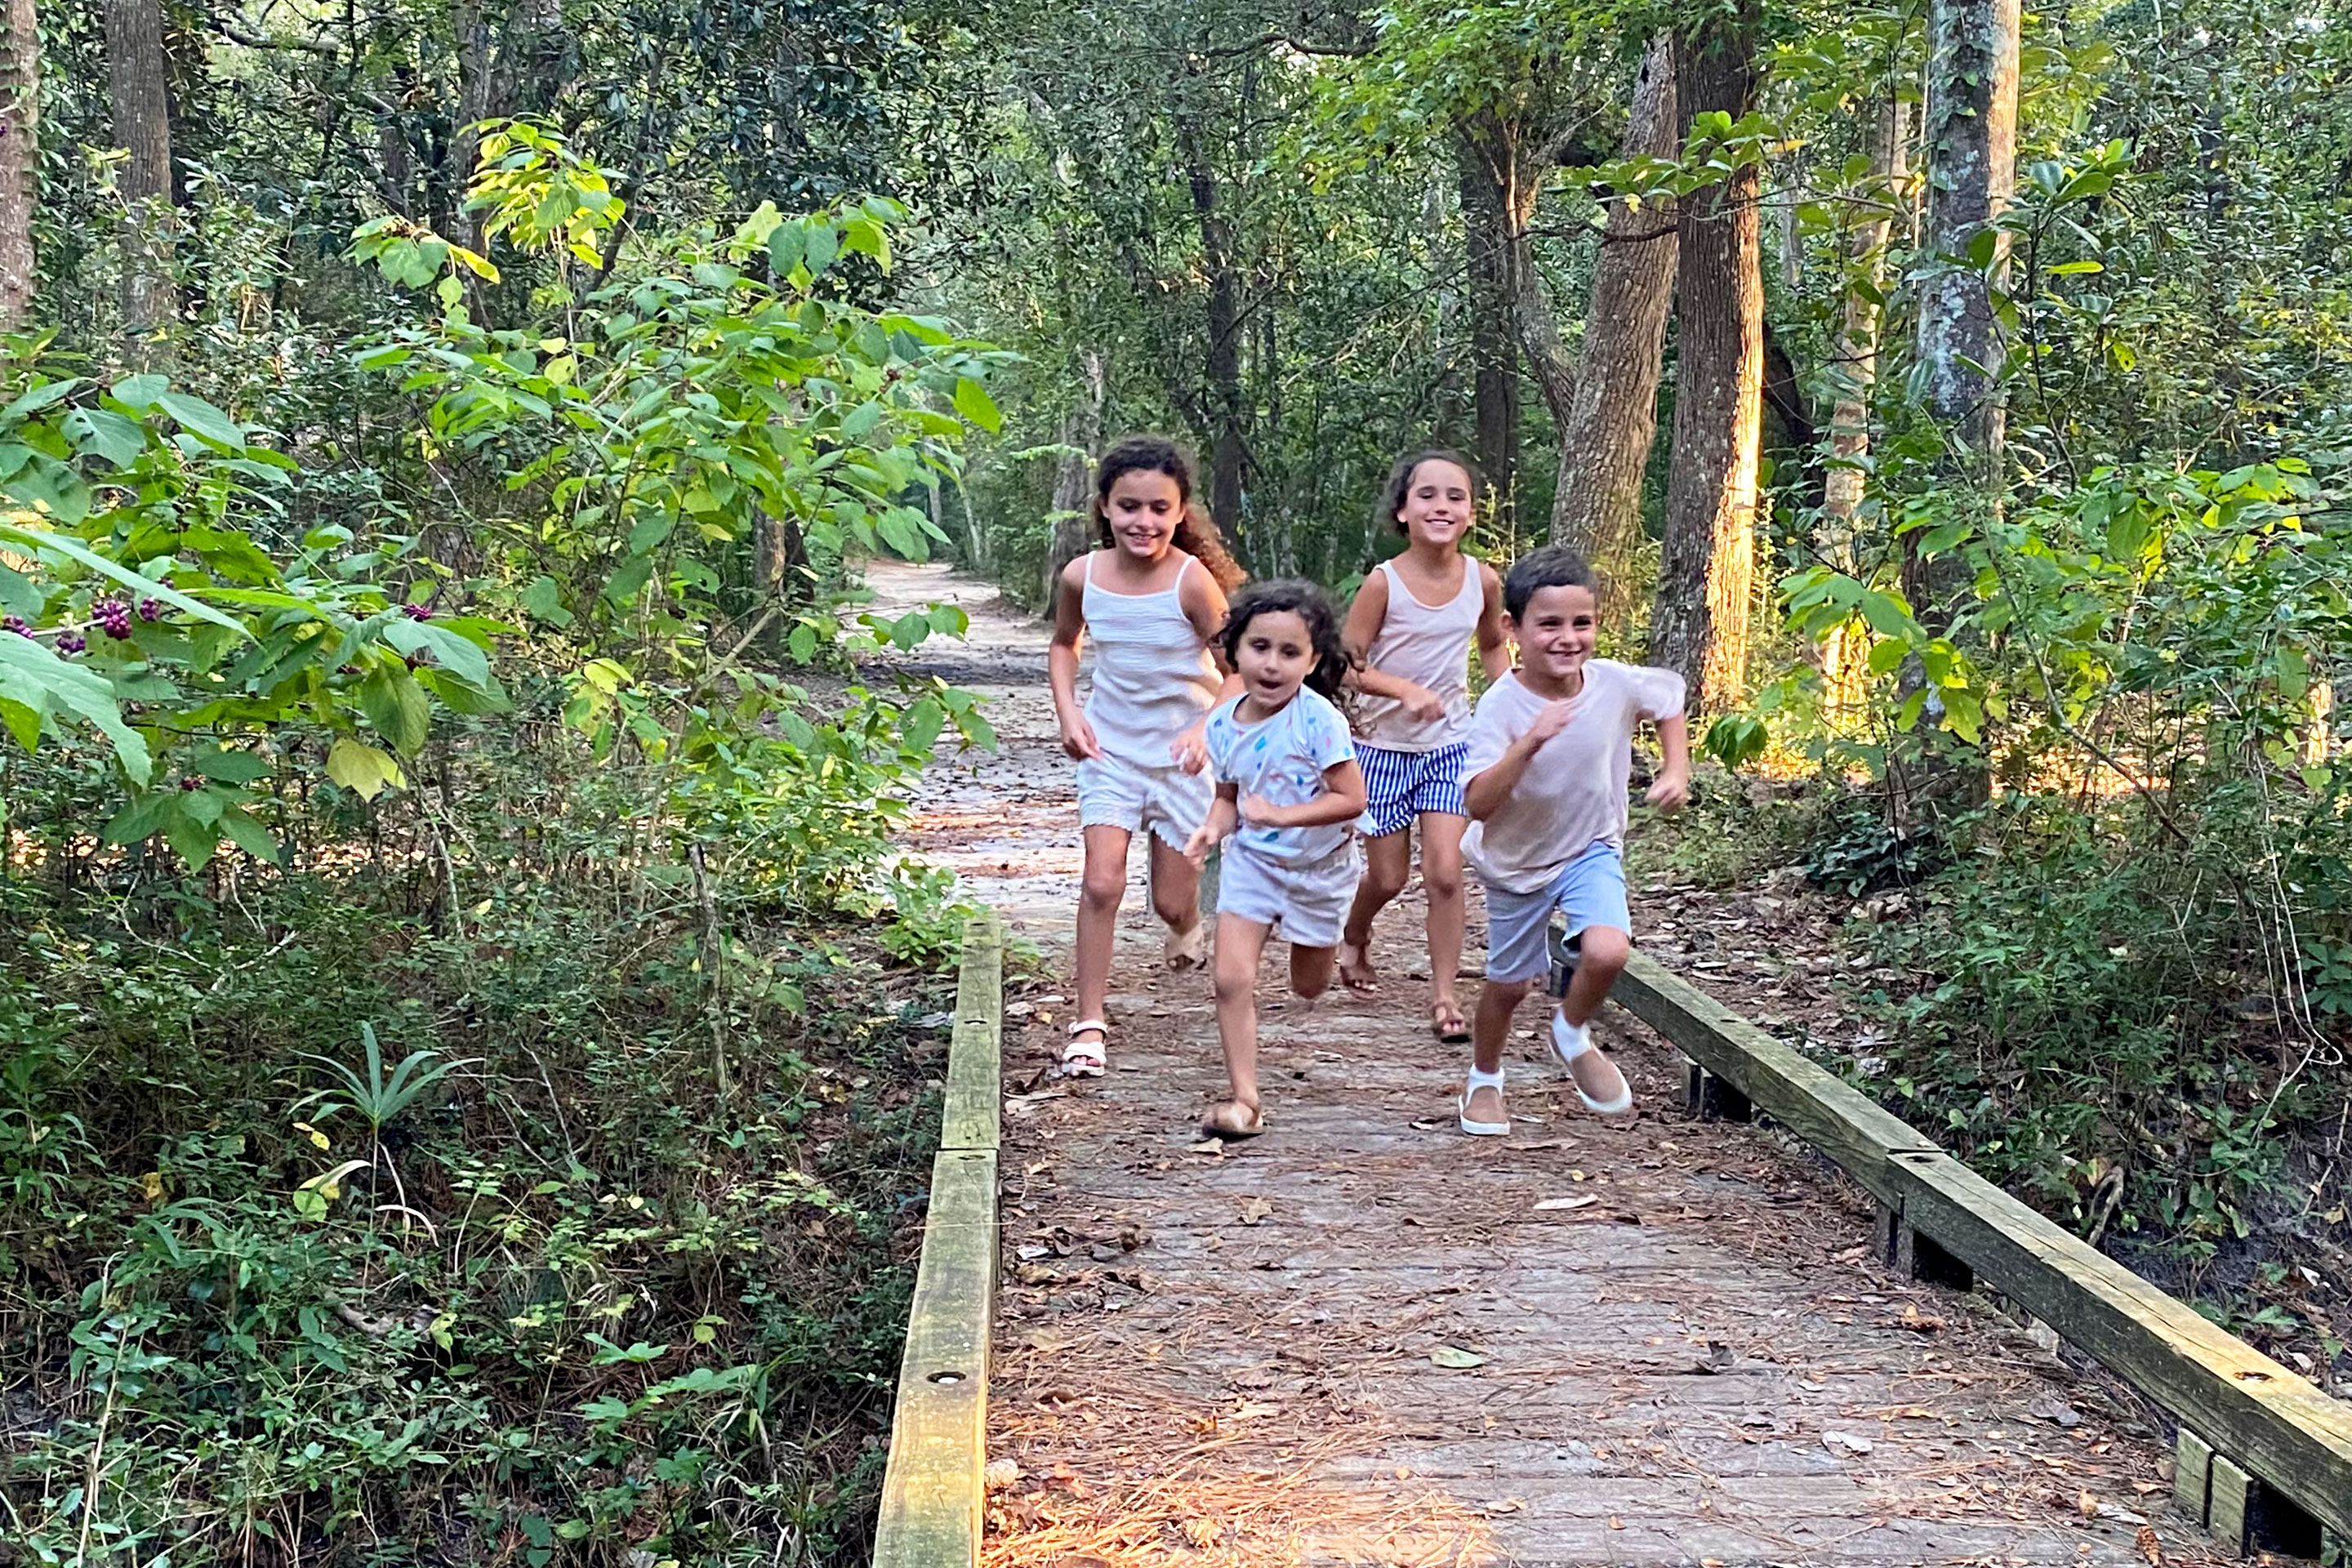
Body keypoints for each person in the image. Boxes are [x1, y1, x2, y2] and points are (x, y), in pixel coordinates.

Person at [1455, 546, 1690, 1135]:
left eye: (1581, 623)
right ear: (1513, 629)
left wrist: (1675, 770)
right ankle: (1484, 1079)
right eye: (1550, 624)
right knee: (1509, 985)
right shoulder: (1500, 707)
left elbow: (1669, 697)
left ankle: (1571, 1030)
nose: (1567, 638)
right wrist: (1529, 742)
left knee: (1609, 951)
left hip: (1591, 846)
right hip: (1515, 862)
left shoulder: (1611, 682)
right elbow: (1478, 804)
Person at [1049, 435, 1246, 1078]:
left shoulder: (1193, 585)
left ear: (1181, 511)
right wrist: (1069, 711)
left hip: (1184, 758)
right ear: (1105, 507)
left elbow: (1237, 672)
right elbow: (1063, 645)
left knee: (1169, 900)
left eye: (1160, 508)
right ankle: (1089, 1022)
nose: (1145, 522)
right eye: (1129, 507)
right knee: (1101, 881)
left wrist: (1205, 729)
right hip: (1109, 748)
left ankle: (1186, 925)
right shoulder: (1082, 576)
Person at [1336, 449, 1511, 1045]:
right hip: (1380, 748)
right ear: (1403, 511)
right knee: (1386, 878)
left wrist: (1508, 697)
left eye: (1455, 496)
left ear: (1471, 513)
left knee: (1444, 871)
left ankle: (1444, 996)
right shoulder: (1382, 583)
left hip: (1451, 745)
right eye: (1428, 495)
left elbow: (1491, 645)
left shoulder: (1482, 580)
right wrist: (1402, 689)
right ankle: (1356, 933)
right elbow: (1344, 666)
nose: (1442, 506)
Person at [1184, 580, 1369, 1138]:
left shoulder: (1318, 722)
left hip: (1320, 871)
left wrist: (1282, 816)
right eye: (1259, 647)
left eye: (1290, 653)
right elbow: (1228, 798)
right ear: (1234, 650)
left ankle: (1334, 945)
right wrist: (1210, 833)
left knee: (1308, 986)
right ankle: (1246, 1100)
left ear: (1313, 662)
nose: (1272, 664)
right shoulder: (1221, 724)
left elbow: (1351, 799)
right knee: (1230, 977)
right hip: (1253, 865)